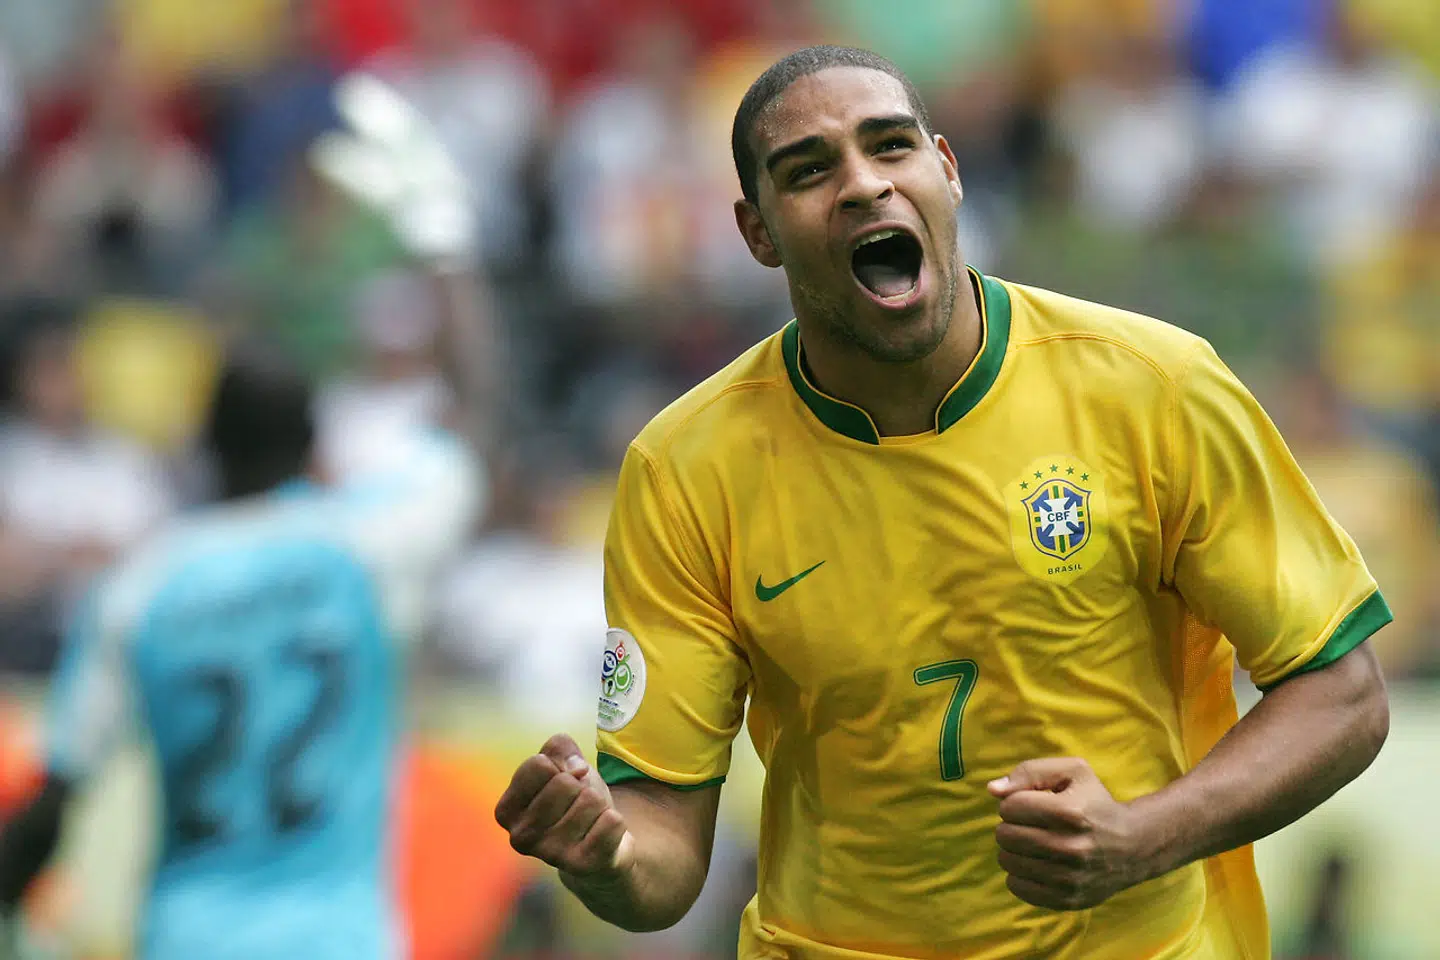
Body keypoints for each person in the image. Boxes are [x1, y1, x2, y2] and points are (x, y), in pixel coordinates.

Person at [493, 46, 1393, 960]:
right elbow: (663, 853)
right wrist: (605, 855)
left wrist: (1141, 836)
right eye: (809, 171)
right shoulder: (683, 469)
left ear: (948, 172)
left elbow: (1343, 695)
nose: (863, 186)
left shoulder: (1155, 387)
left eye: (891, 147)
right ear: (757, 232)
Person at [0, 345, 478, 958]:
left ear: (207, 446)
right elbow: (466, 439)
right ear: (313, 445)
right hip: (338, 937)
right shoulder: (368, 546)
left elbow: (56, 797)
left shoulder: (139, 587)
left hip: (189, 937)